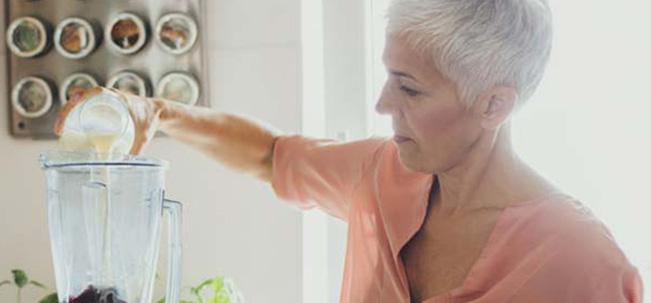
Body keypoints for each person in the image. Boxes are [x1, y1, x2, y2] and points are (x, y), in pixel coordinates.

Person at [55, 0, 644, 302]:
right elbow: (269, 155)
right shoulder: (384, 173)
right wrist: (157, 112)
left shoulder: (581, 264)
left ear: (494, 105)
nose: (384, 103)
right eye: (390, 75)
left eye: (410, 88)